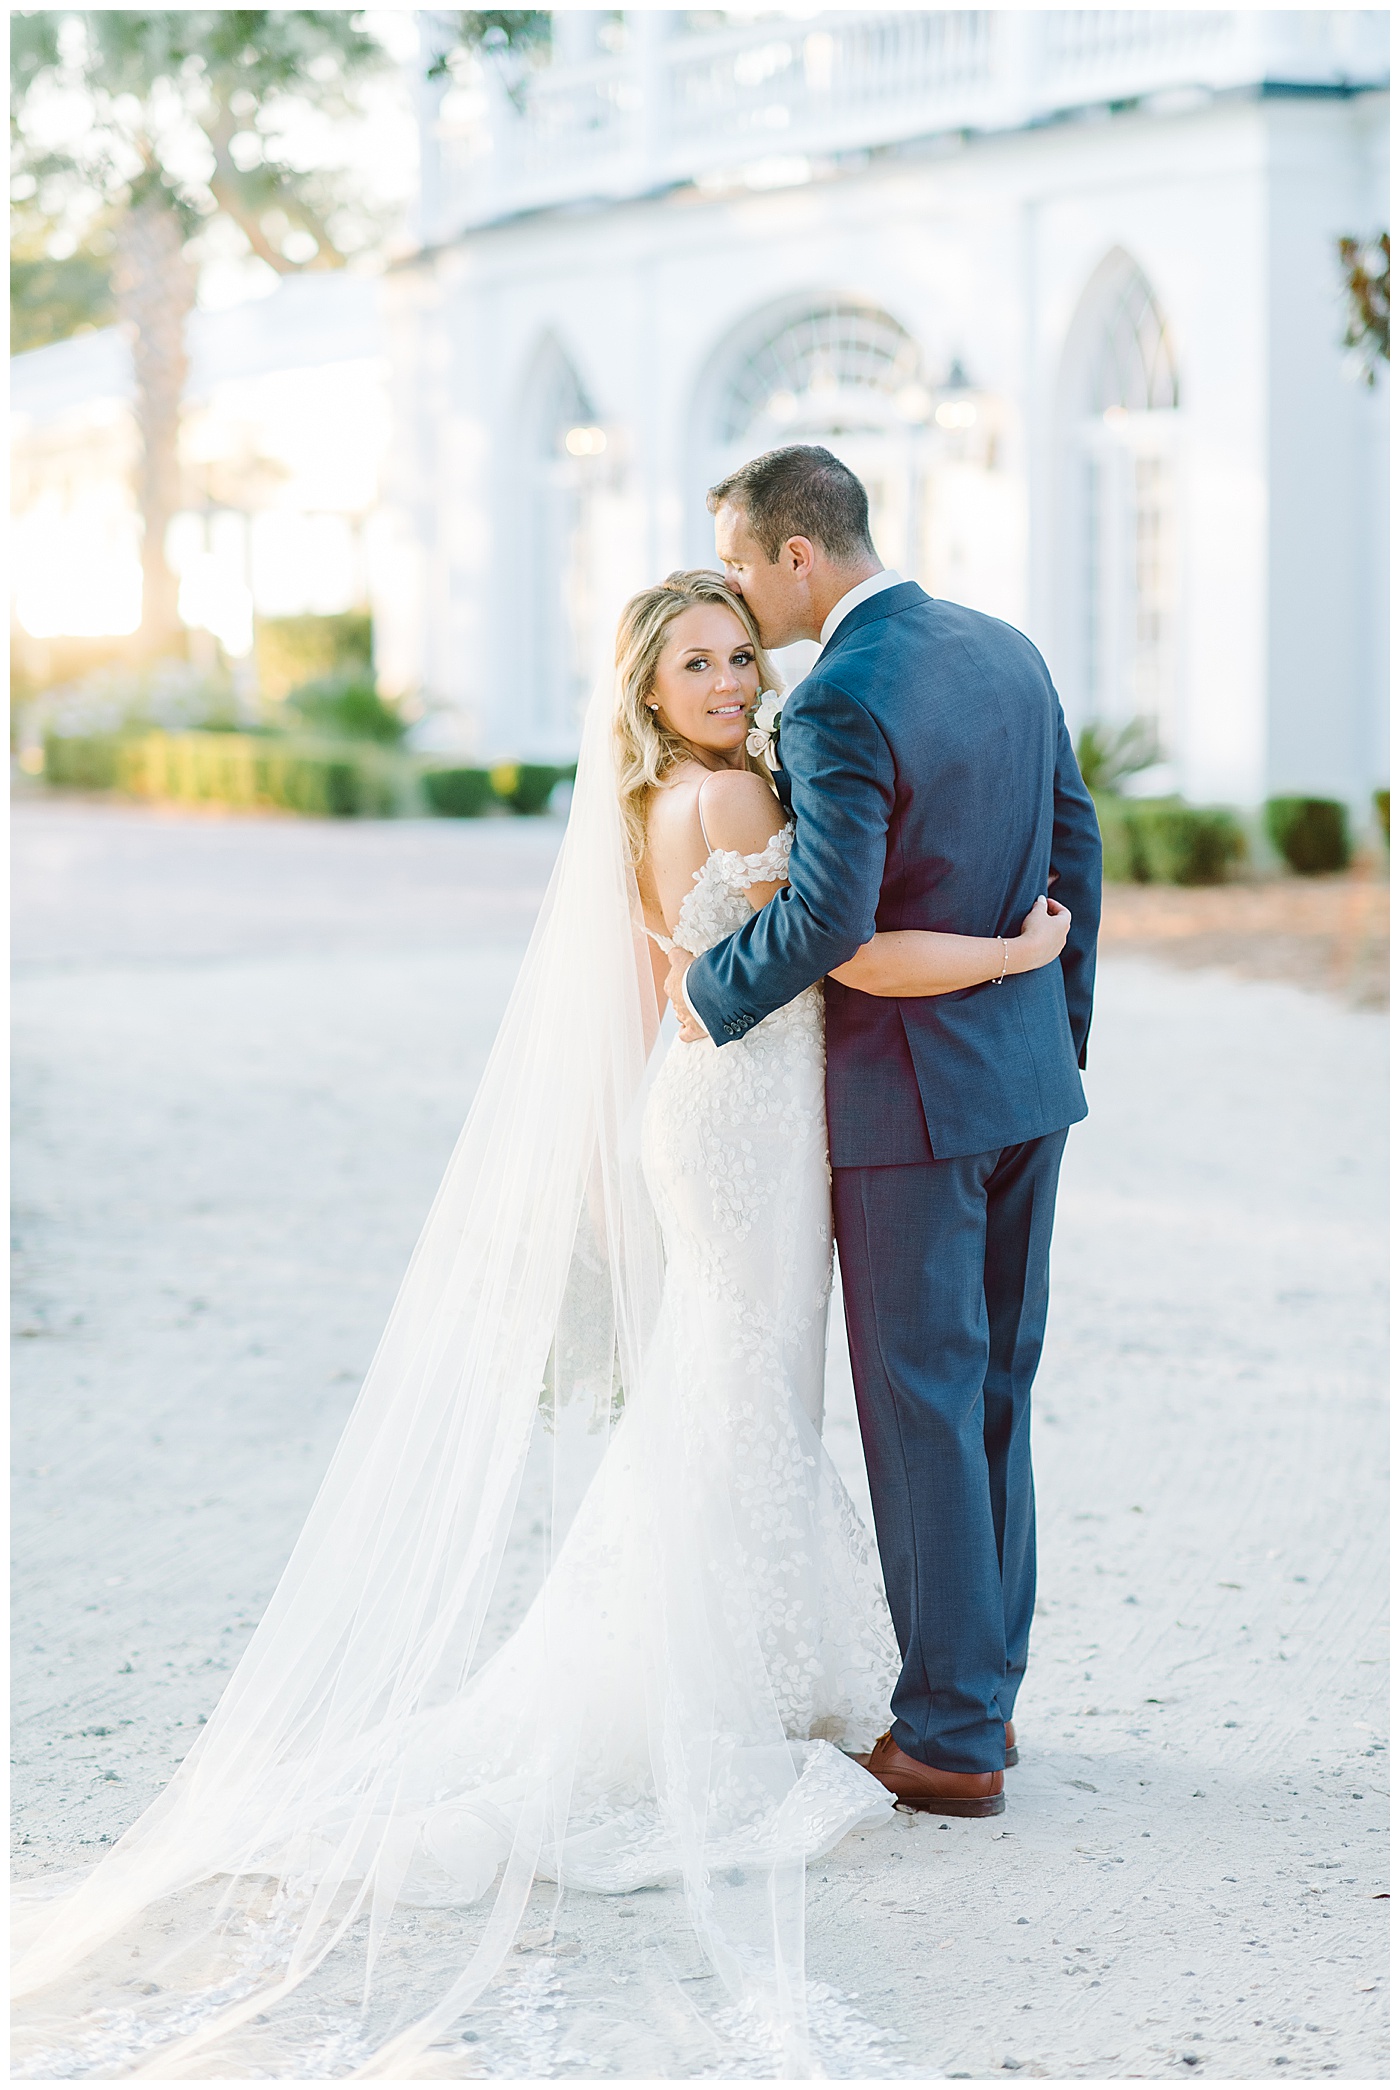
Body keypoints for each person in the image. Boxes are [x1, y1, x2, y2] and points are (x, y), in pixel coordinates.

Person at [11, 569, 1073, 2081]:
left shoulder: (685, 801)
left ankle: (765, 1663)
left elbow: (671, 990)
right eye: (695, 666)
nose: (728, 684)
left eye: (735, 657)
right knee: (733, 1387)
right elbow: (849, 940)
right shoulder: (721, 812)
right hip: (743, 1130)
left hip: (722, 1116)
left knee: (737, 1386)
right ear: (646, 692)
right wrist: (1014, 956)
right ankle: (709, 1681)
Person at [668, 445, 1102, 1819]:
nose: (738, 591)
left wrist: (704, 988)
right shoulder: (1008, 646)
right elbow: (1076, 849)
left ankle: (951, 1736)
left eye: (741, 561)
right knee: (991, 1395)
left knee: (917, 1403)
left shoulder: (840, 697)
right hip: (1024, 1080)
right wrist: (1054, 1032)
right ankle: (990, 1692)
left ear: (800, 555)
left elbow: (829, 920)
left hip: (909, 1099)